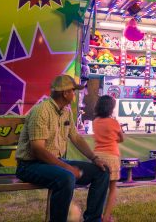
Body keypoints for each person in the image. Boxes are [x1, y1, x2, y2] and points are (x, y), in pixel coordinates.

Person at [15, 75, 110, 222]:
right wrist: (66, 167)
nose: (75, 94)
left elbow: (76, 137)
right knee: (66, 176)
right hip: (29, 165)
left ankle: (93, 219)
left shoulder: (66, 111)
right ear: (65, 93)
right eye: (73, 90)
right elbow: (38, 150)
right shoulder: (41, 111)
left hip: (53, 162)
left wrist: (95, 158)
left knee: (102, 171)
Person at [93, 95, 124, 222]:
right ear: (111, 108)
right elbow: (121, 138)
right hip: (112, 156)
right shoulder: (114, 122)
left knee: (98, 189)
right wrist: (113, 139)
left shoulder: (95, 121)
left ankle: (96, 214)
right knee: (112, 189)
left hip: (97, 157)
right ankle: (106, 217)